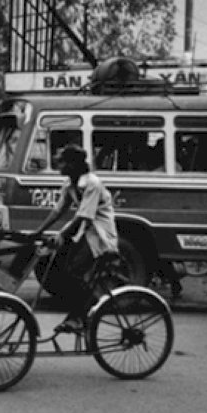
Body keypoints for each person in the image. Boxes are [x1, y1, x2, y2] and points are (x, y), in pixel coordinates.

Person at [33, 143, 119, 333]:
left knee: (74, 272)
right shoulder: (70, 184)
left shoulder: (92, 184)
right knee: (56, 265)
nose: (58, 165)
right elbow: (58, 211)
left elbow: (84, 216)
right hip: (86, 232)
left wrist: (61, 235)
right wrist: (38, 231)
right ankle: (79, 312)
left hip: (100, 235)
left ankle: (81, 316)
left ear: (72, 164)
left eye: (62, 162)